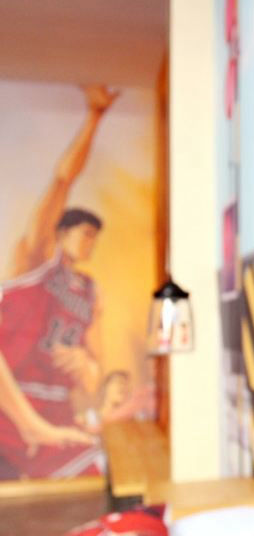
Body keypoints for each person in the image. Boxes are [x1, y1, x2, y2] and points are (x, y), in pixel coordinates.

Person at [0, 85, 118, 479]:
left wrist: (86, 366)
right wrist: (95, 118)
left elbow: (95, 374)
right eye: (85, 234)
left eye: (95, 238)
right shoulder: (35, 258)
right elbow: (63, 180)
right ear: (61, 232)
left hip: (56, 408)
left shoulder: (91, 292)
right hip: (12, 402)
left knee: (98, 475)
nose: (90, 243)